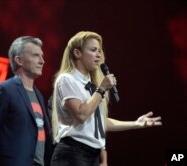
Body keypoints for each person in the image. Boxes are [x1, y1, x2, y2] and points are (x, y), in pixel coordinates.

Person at [50, 31, 162, 166]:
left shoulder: (92, 84)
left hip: (93, 155)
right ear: (77, 53)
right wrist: (102, 88)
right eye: (93, 50)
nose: (98, 55)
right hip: (73, 153)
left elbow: (100, 122)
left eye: (99, 50)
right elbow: (81, 114)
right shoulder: (67, 79)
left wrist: (136, 124)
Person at [0, 36, 52, 166]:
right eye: (36, 55)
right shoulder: (4, 91)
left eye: (42, 56)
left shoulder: (39, 95)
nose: (42, 61)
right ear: (19, 60)